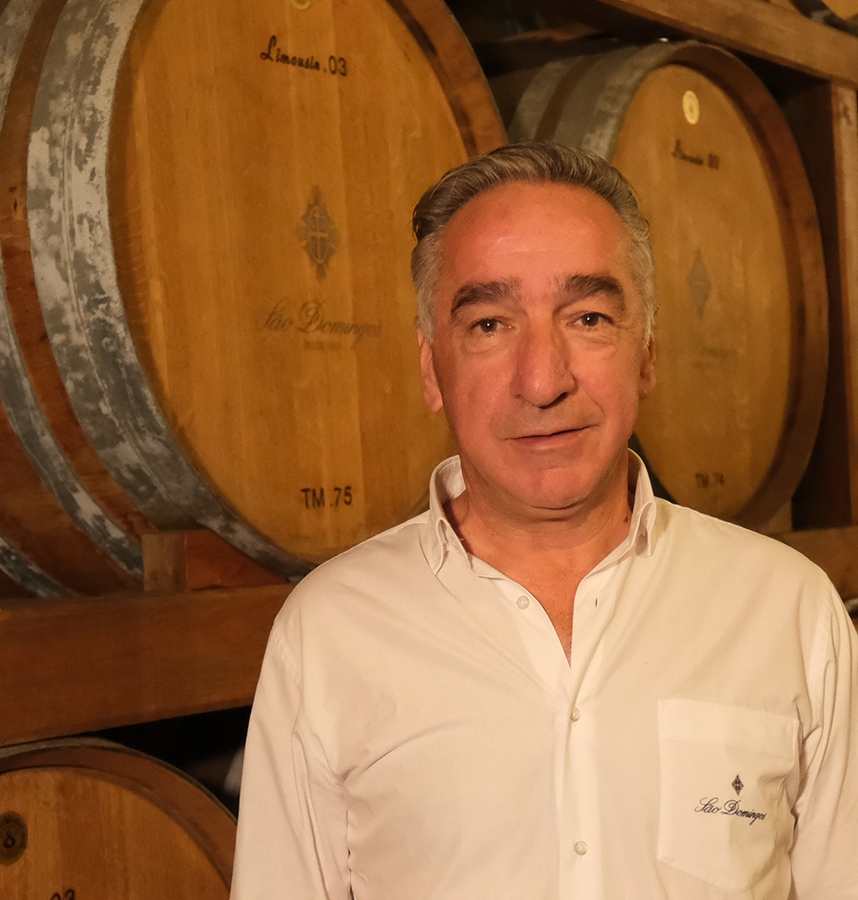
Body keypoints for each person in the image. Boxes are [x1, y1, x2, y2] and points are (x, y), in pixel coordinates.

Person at [230, 141, 858, 899]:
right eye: (490, 325)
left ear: (646, 353)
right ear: (432, 369)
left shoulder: (789, 609)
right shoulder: (328, 632)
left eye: (588, 317)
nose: (542, 380)